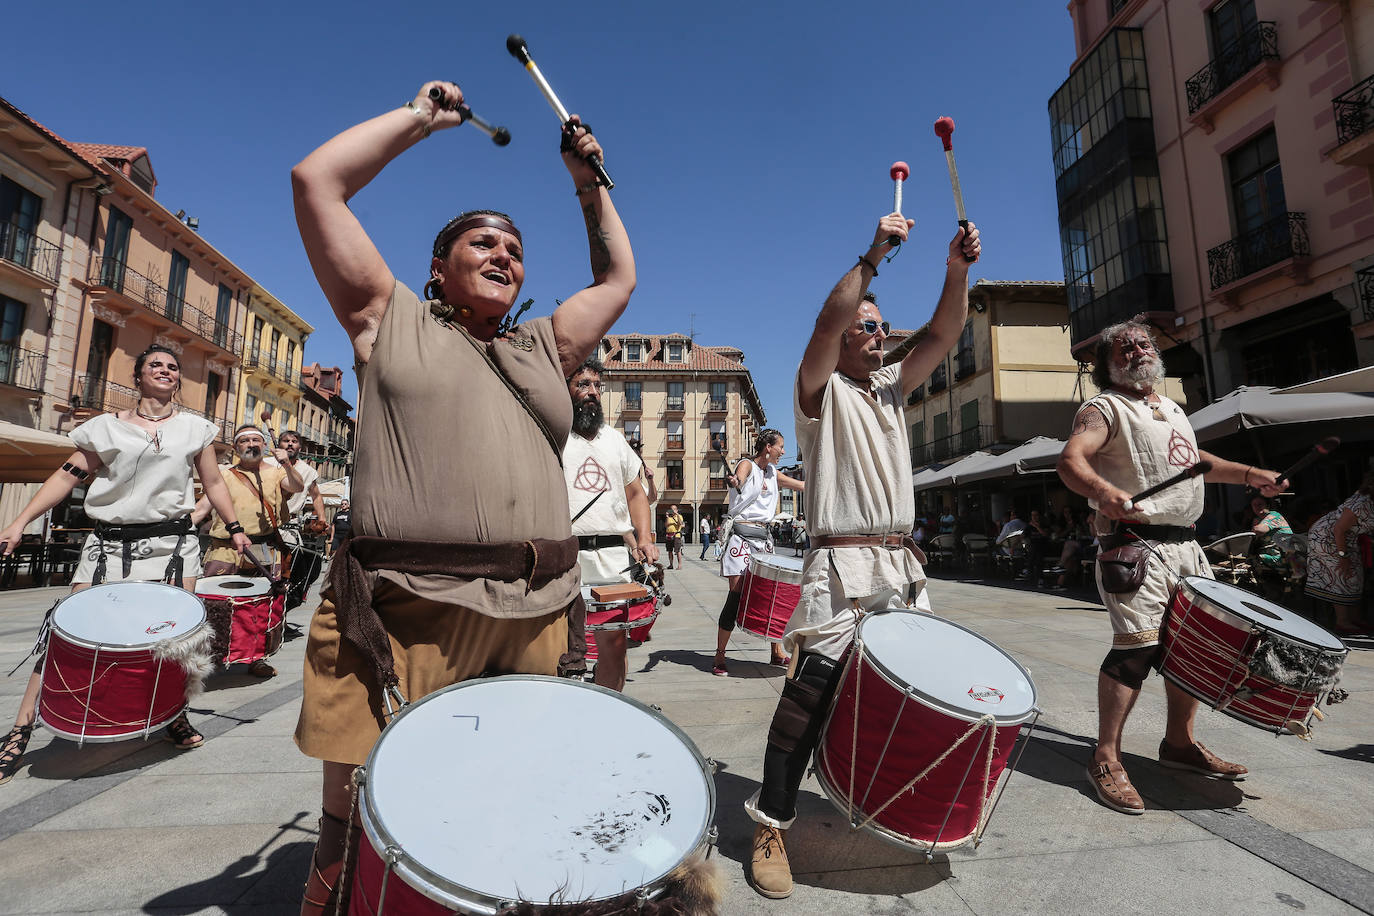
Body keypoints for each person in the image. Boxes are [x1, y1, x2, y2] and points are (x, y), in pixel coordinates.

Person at [289, 78, 634, 914]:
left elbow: (617, 276)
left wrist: (589, 186)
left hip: (538, 607)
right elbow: (315, 181)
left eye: (514, 248)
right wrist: (419, 121)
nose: (503, 254)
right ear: (437, 269)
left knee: (508, 801)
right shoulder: (386, 317)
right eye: (481, 243)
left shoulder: (542, 349)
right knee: (358, 807)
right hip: (400, 610)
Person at [744, 214, 979, 899]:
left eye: (881, 326)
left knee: (907, 691)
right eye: (868, 326)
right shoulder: (819, 391)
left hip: (900, 569)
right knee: (806, 699)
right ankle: (771, 824)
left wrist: (956, 271)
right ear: (847, 338)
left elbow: (943, 333)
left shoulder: (889, 388)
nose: (880, 333)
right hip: (840, 567)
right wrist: (874, 256)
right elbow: (825, 323)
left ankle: (879, 799)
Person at [1056, 318, 1286, 816]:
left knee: (1190, 650)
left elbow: (1193, 461)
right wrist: (1102, 491)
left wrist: (1251, 475)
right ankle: (1105, 757)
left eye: (1143, 342)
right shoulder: (1103, 409)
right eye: (1124, 346)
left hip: (1187, 547)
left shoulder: (1172, 408)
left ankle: (1179, 745)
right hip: (1136, 547)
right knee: (1136, 651)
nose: (1137, 350)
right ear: (1106, 364)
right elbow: (1071, 460)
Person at [0, 345, 252, 784]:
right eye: (155, 364)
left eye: (173, 367)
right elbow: (66, 476)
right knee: (66, 635)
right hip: (108, 547)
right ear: (137, 376)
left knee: (177, 640)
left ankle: (173, 714)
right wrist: (20, 521)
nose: (166, 371)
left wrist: (234, 527)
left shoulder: (195, 430)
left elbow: (212, 482)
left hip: (172, 545)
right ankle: (21, 731)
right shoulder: (105, 429)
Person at [564, 358, 659, 691]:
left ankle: (608, 710)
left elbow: (636, 492)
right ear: (565, 388)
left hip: (613, 557)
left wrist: (644, 538)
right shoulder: (553, 433)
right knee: (560, 644)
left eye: (597, 386)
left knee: (614, 644)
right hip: (566, 556)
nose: (592, 392)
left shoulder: (615, 440)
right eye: (583, 385)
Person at [192, 426, 304, 678]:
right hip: (225, 548)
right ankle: (210, 657)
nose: (251, 443)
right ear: (235, 448)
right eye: (244, 440)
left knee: (261, 607)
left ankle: (258, 659)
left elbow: (296, 487)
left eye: (256, 439)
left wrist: (287, 464)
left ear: (264, 446)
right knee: (215, 606)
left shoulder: (277, 474)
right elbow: (202, 509)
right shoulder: (224, 476)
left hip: (264, 547)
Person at [711, 429, 805, 674]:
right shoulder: (747, 465)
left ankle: (776, 652)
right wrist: (736, 482)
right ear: (768, 448)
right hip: (741, 538)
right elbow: (740, 478)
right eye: (780, 447)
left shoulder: (773, 473)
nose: (783, 452)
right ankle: (720, 656)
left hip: (764, 540)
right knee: (735, 598)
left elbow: (802, 485)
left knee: (773, 594)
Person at [1303, 473, 1374, 635]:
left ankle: (1355, 619)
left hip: (1347, 537)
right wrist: (1343, 557)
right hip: (1328, 537)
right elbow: (1339, 529)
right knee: (1342, 574)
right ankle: (1343, 623)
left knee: (1356, 574)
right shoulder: (1362, 503)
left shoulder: (1369, 500)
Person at [271, 430, 331, 610]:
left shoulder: (307, 471)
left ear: (300, 446)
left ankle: (282, 613)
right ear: (279, 444)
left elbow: (316, 496)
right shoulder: (265, 464)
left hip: (289, 530)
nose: (290, 444)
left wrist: (322, 520)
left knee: (297, 576)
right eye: (285, 441)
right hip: (265, 526)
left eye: (294, 441)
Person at [1247, 494, 1292, 572]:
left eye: (1260, 504)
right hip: (1269, 556)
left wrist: (1254, 527)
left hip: (1282, 557)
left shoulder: (1274, 515)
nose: (1257, 507)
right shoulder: (1257, 519)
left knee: (1247, 562)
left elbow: (1259, 530)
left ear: (1267, 505)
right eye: (1254, 505)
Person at [663, 504, 684, 569]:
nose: (673, 510)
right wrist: (667, 517)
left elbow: (680, 523)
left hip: (676, 535)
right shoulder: (669, 517)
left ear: (676, 510)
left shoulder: (679, 516)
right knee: (669, 551)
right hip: (669, 535)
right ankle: (671, 564)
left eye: (674, 509)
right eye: (671, 509)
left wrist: (677, 514)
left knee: (677, 551)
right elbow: (666, 525)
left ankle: (679, 565)